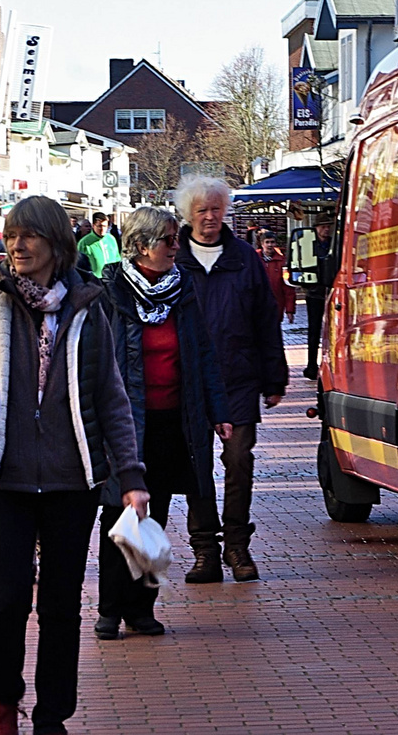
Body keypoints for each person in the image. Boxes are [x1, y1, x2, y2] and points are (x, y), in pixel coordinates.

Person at [0, 195, 149, 735]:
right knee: (6, 596)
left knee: (60, 606)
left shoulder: (90, 307)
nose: (17, 245)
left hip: (70, 480)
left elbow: (111, 397)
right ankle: (3, 701)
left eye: (29, 236)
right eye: (10, 236)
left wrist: (130, 478)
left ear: (56, 244)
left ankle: (52, 715)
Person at [94, 206, 231, 640]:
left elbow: (203, 353)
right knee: (119, 514)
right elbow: (95, 361)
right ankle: (109, 608)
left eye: (177, 238)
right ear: (140, 246)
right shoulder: (109, 293)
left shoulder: (183, 288)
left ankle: (141, 609)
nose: (177, 246)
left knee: (155, 516)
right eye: (168, 239)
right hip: (124, 423)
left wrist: (219, 411)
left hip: (174, 420)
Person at [173, 175, 288, 584]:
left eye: (216, 209)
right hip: (187, 383)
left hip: (237, 377)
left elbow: (265, 318)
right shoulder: (176, 259)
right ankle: (204, 550)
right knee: (196, 466)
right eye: (202, 210)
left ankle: (237, 546)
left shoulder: (244, 258)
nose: (209, 217)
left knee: (238, 460)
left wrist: (274, 378)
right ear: (188, 215)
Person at [302, 217, 334, 382]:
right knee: (314, 330)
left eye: (328, 226)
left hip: (332, 292)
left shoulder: (335, 244)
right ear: (315, 228)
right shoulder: (308, 244)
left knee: (333, 330)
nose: (326, 230)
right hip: (314, 292)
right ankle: (311, 365)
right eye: (322, 226)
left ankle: (332, 364)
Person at [259, 232, 295, 324]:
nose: (270, 245)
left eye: (272, 242)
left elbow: (288, 287)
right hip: (258, 304)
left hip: (276, 304)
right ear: (262, 244)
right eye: (267, 242)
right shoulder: (254, 259)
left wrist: (290, 310)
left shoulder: (282, 262)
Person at [77, 213, 120, 278]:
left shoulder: (111, 239)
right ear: (93, 225)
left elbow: (117, 258)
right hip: (95, 280)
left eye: (105, 226)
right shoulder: (84, 242)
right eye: (99, 226)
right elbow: (80, 265)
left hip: (112, 279)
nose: (102, 229)